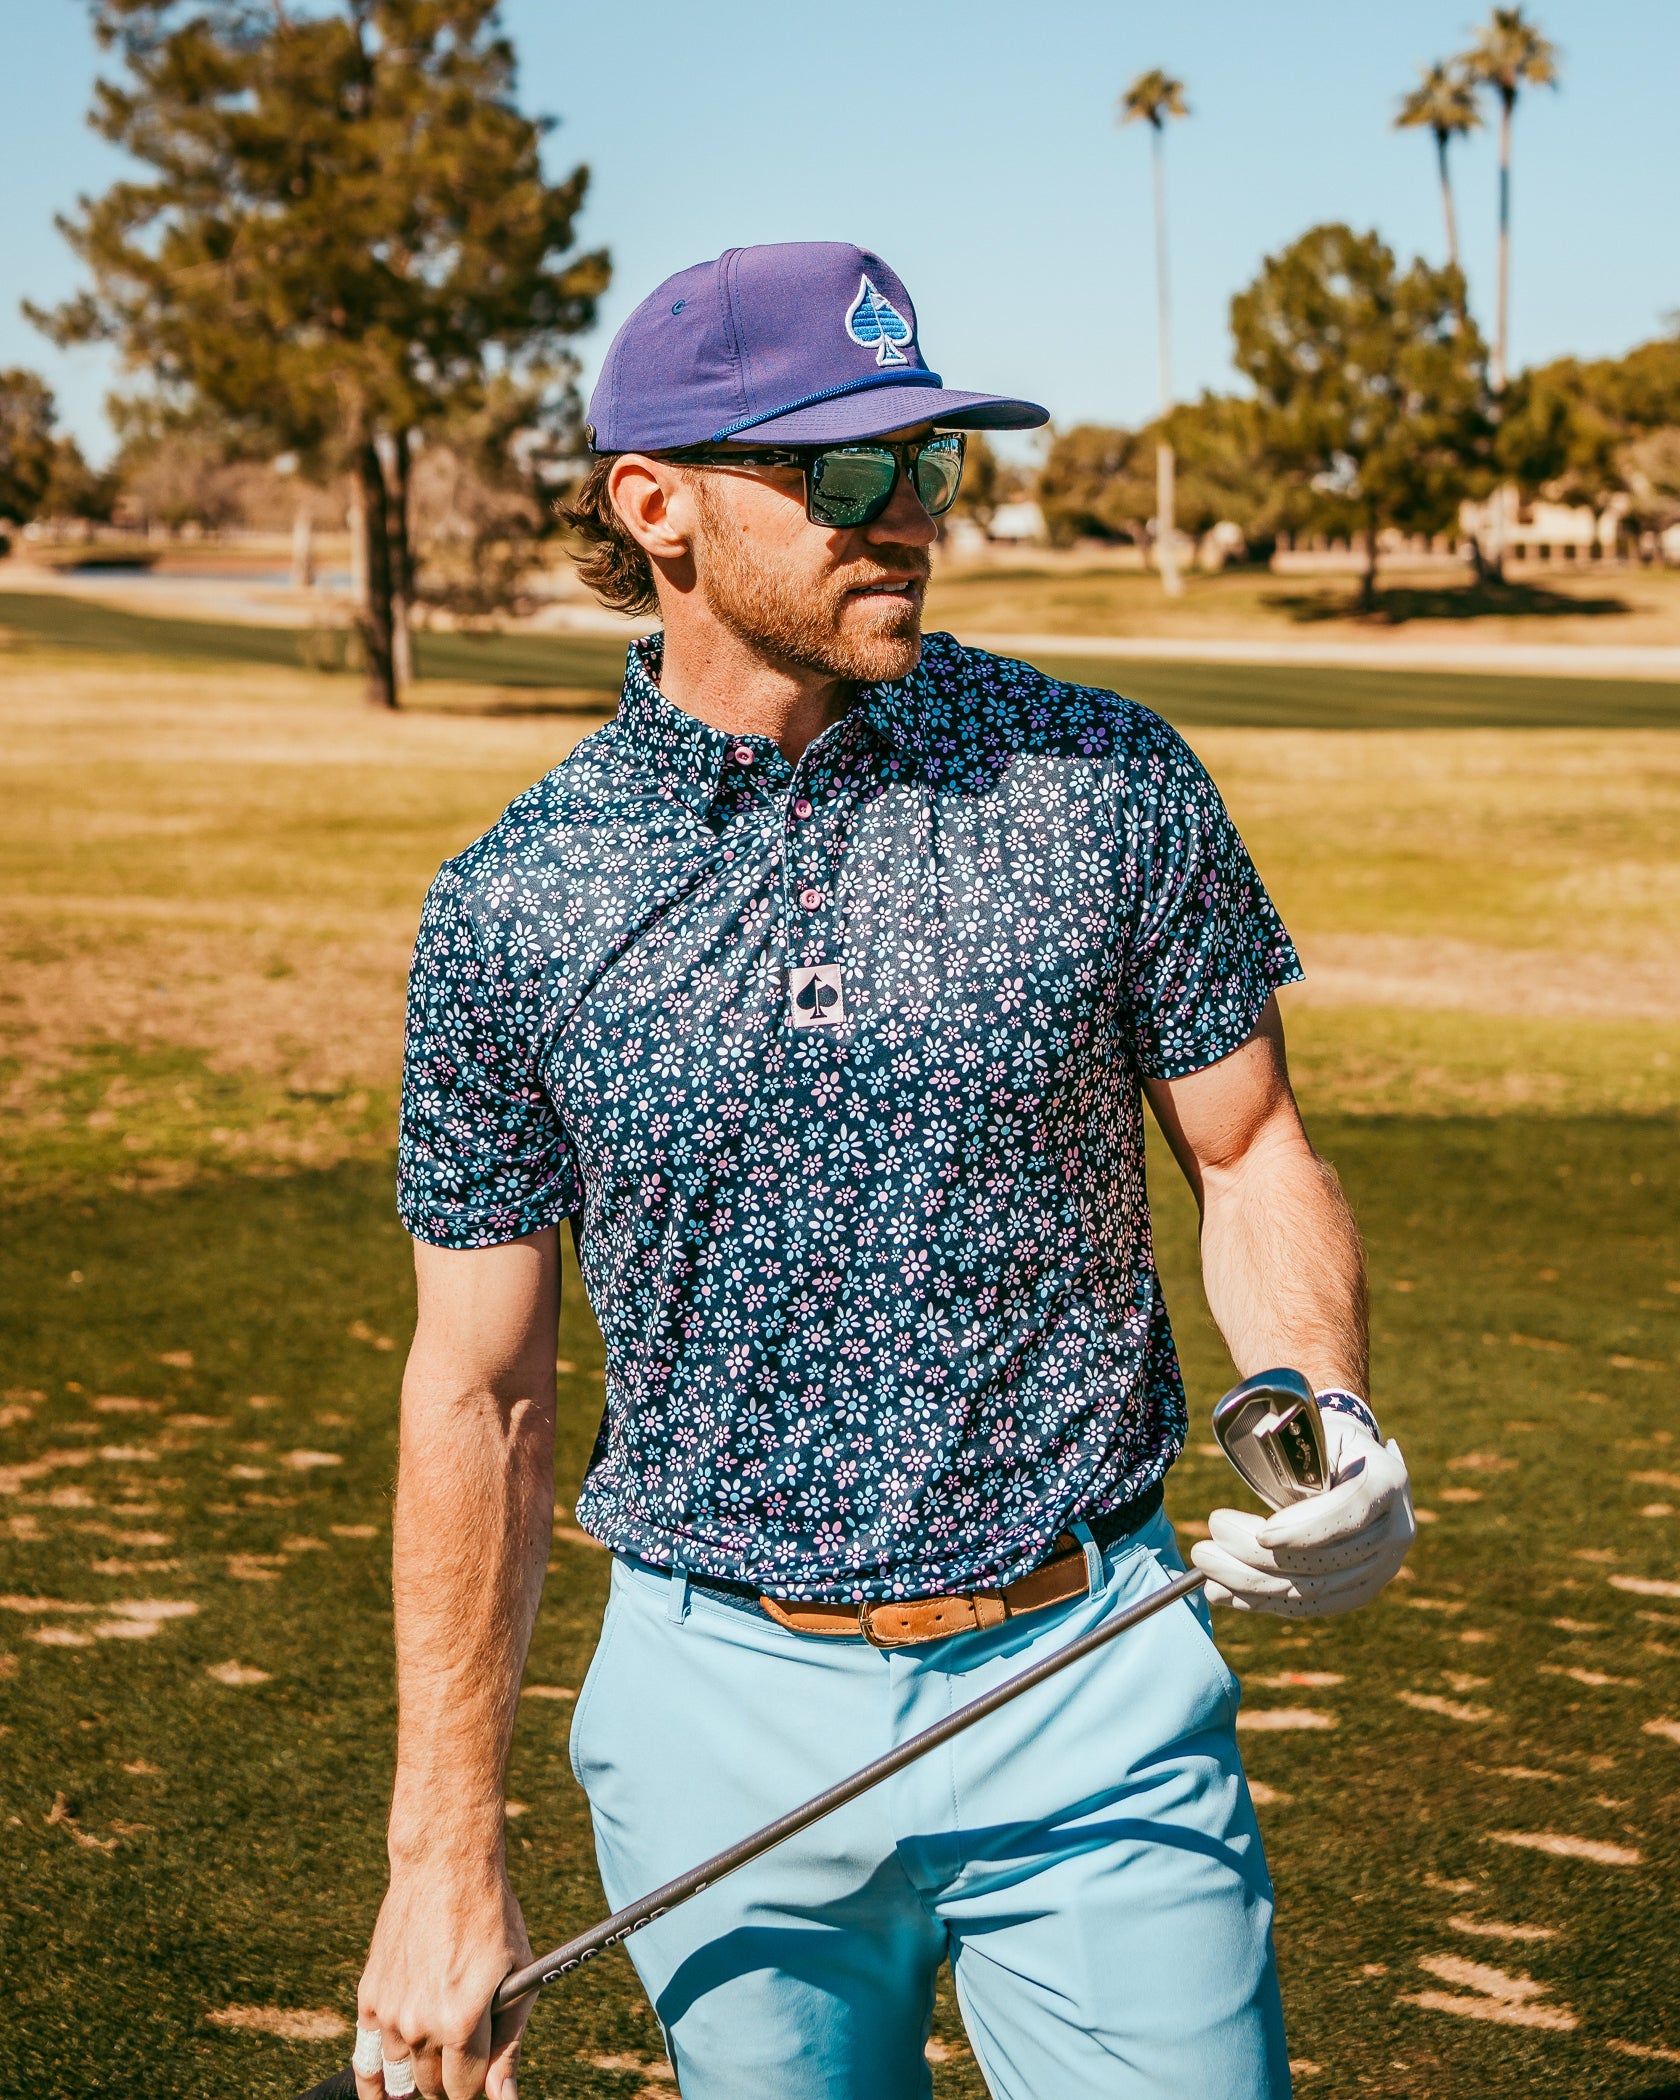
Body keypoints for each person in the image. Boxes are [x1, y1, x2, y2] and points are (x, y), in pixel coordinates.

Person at [353, 242, 1414, 2100]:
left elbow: (1250, 1153)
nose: (907, 514)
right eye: (844, 473)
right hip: (714, 1716)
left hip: (1090, 1669)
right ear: (653, 504)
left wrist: (1319, 1405)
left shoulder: (1099, 776)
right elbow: (480, 1390)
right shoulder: (512, 905)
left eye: (927, 464)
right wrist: (439, 1861)